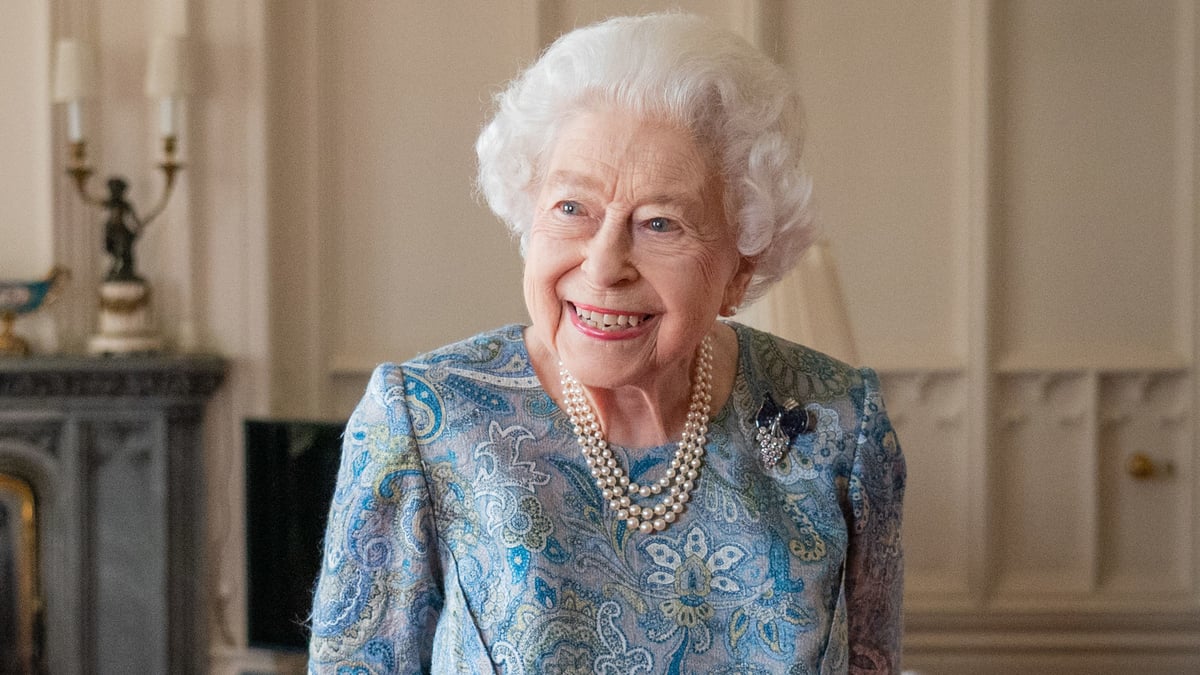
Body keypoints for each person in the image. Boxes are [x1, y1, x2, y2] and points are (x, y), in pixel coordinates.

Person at [309, 13, 905, 674]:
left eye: (660, 222)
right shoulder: (422, 422)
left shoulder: (838, 424)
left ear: (739, 265)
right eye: (572, 207)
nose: (603, 263)